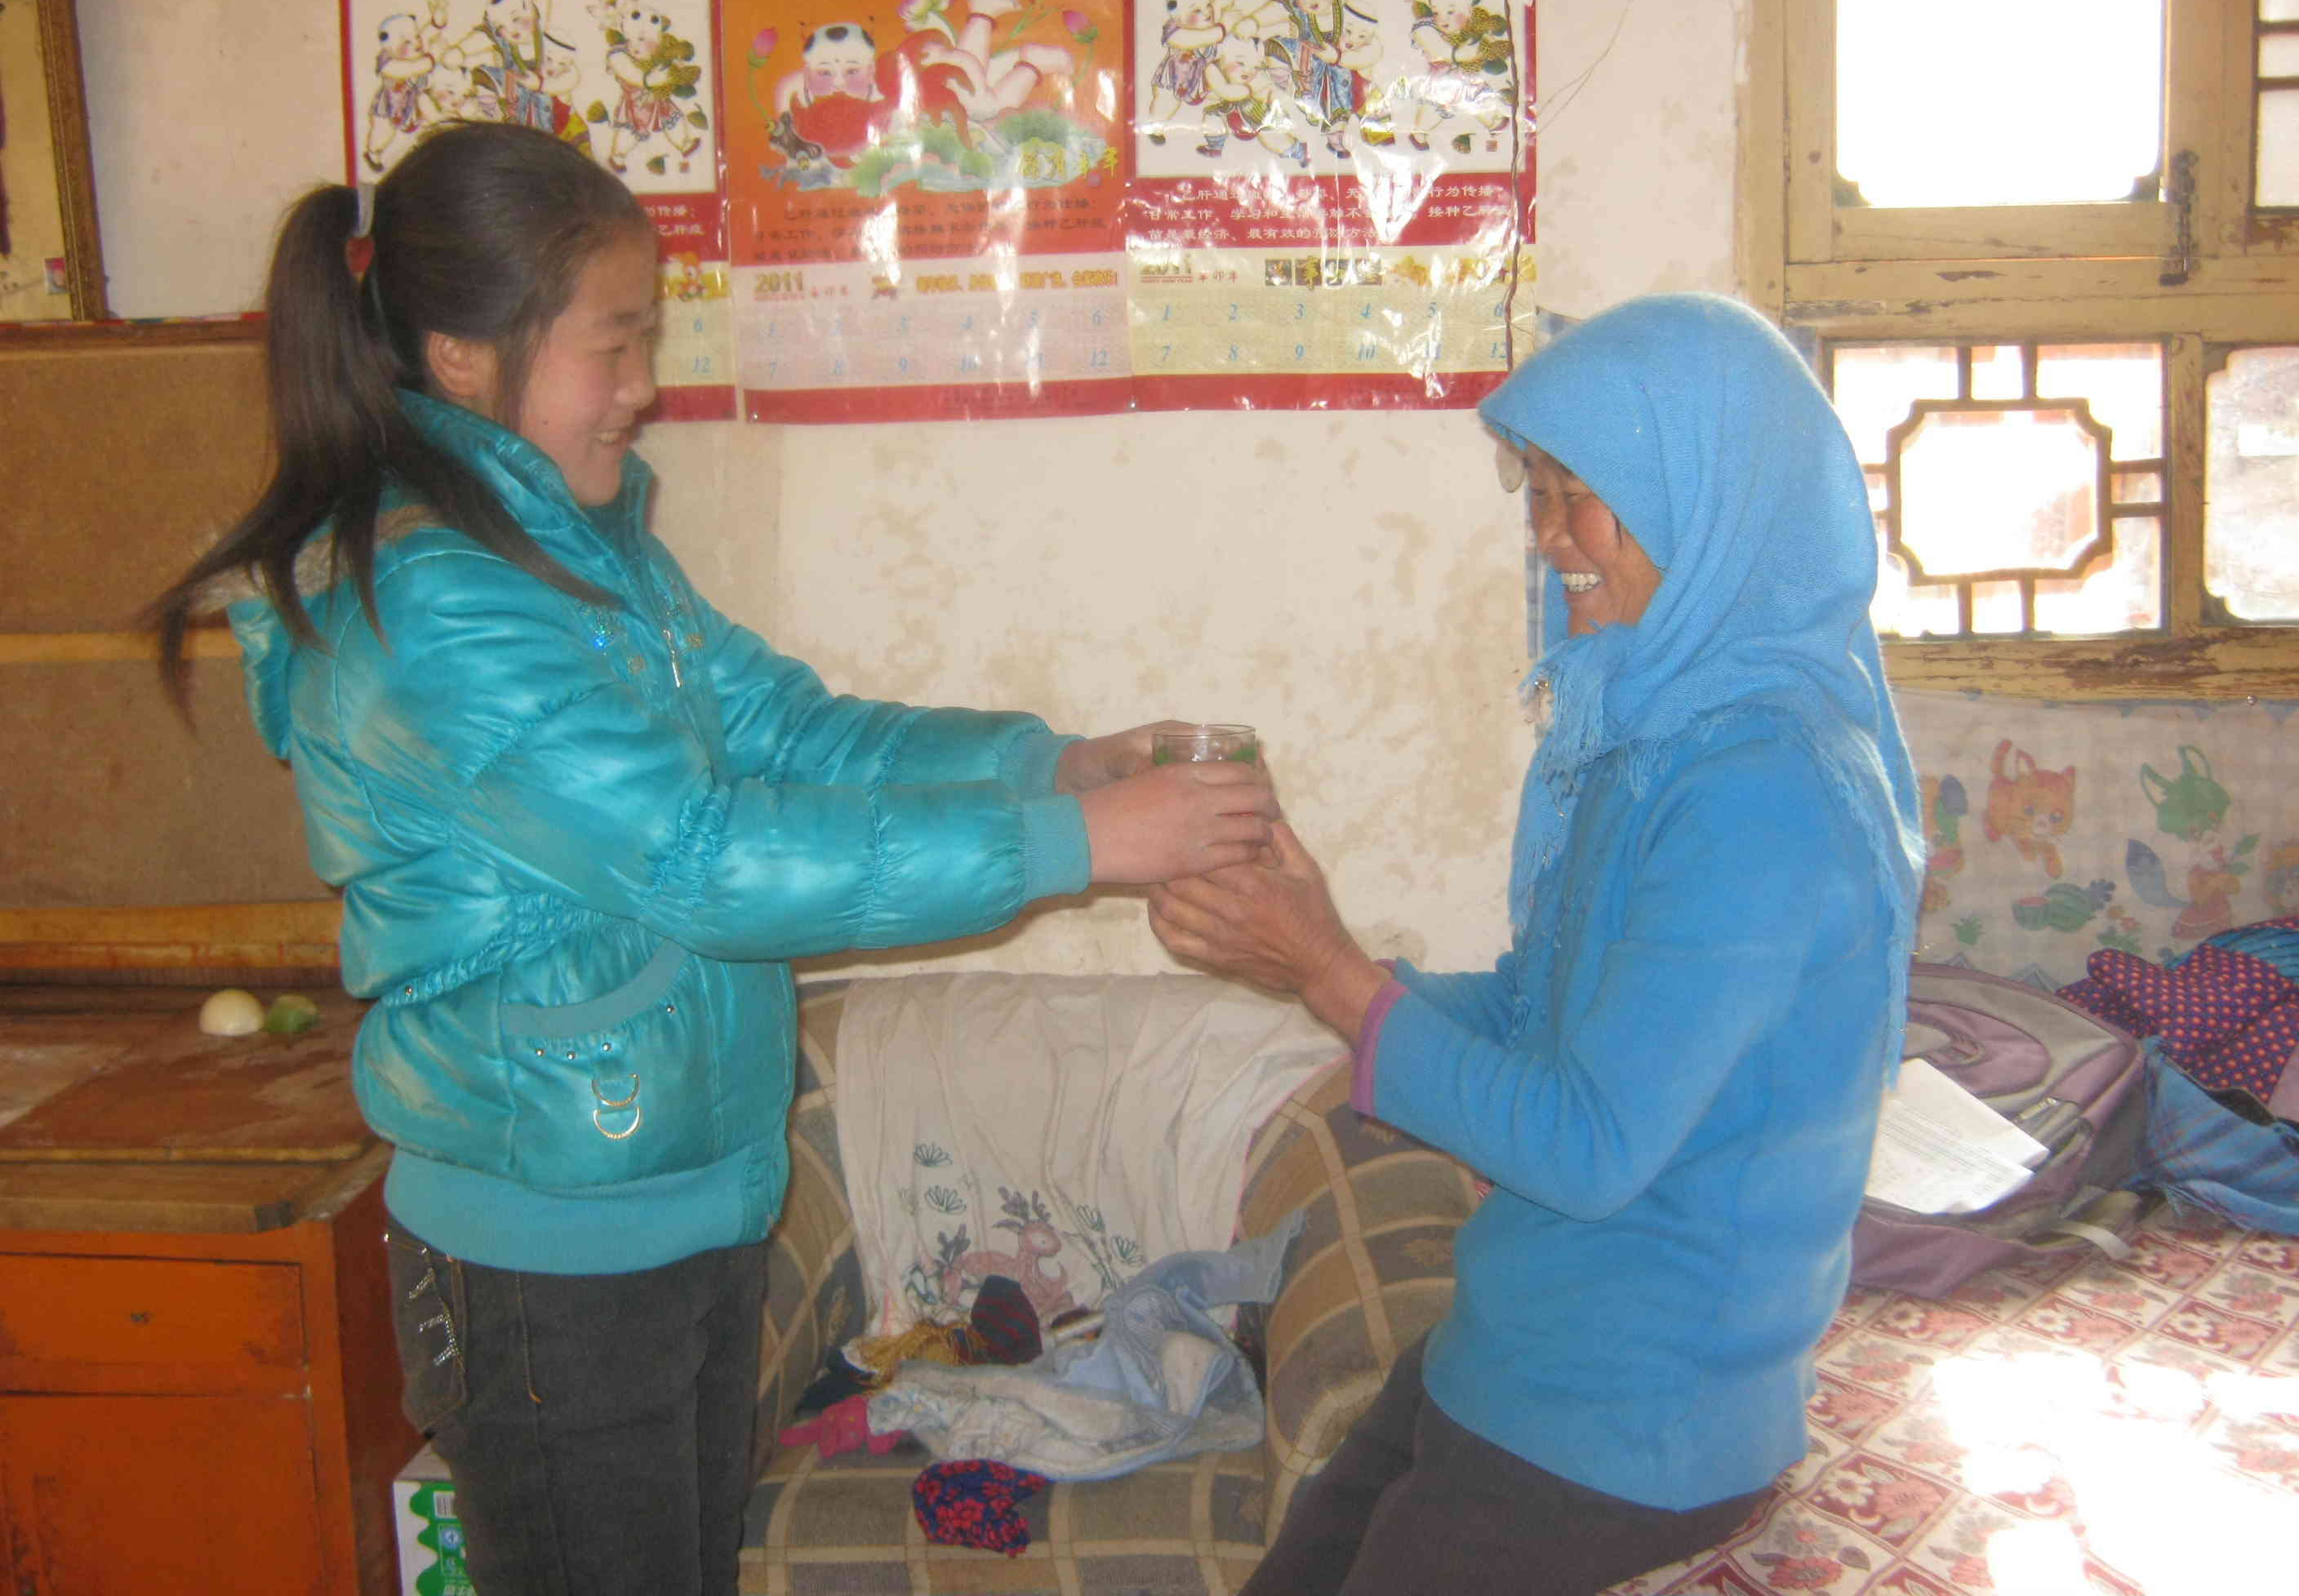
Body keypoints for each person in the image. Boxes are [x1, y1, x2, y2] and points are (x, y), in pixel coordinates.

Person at [148, 120, 1276, 1596]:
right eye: (613, 342)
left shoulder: (578, 549)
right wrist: (1078, 843)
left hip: (678, 1195)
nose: (646, 386)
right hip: (550, 1248)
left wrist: (1044, 765)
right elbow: (707, 859)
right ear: (464, 354)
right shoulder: (437, 607)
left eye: (649, 339)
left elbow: (782, 730)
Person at [1148, 293, 1924, 1596]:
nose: (1547, 535)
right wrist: (1305, 952)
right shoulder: (1655, 724)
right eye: (1539, 493)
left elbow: (1586, 1143)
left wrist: (1330, 975)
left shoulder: (1764, 790)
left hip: (1634, 1424)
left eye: (1582, 497)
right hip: (1525, 1358)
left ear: (1710, 500)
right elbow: (1538, 1006)